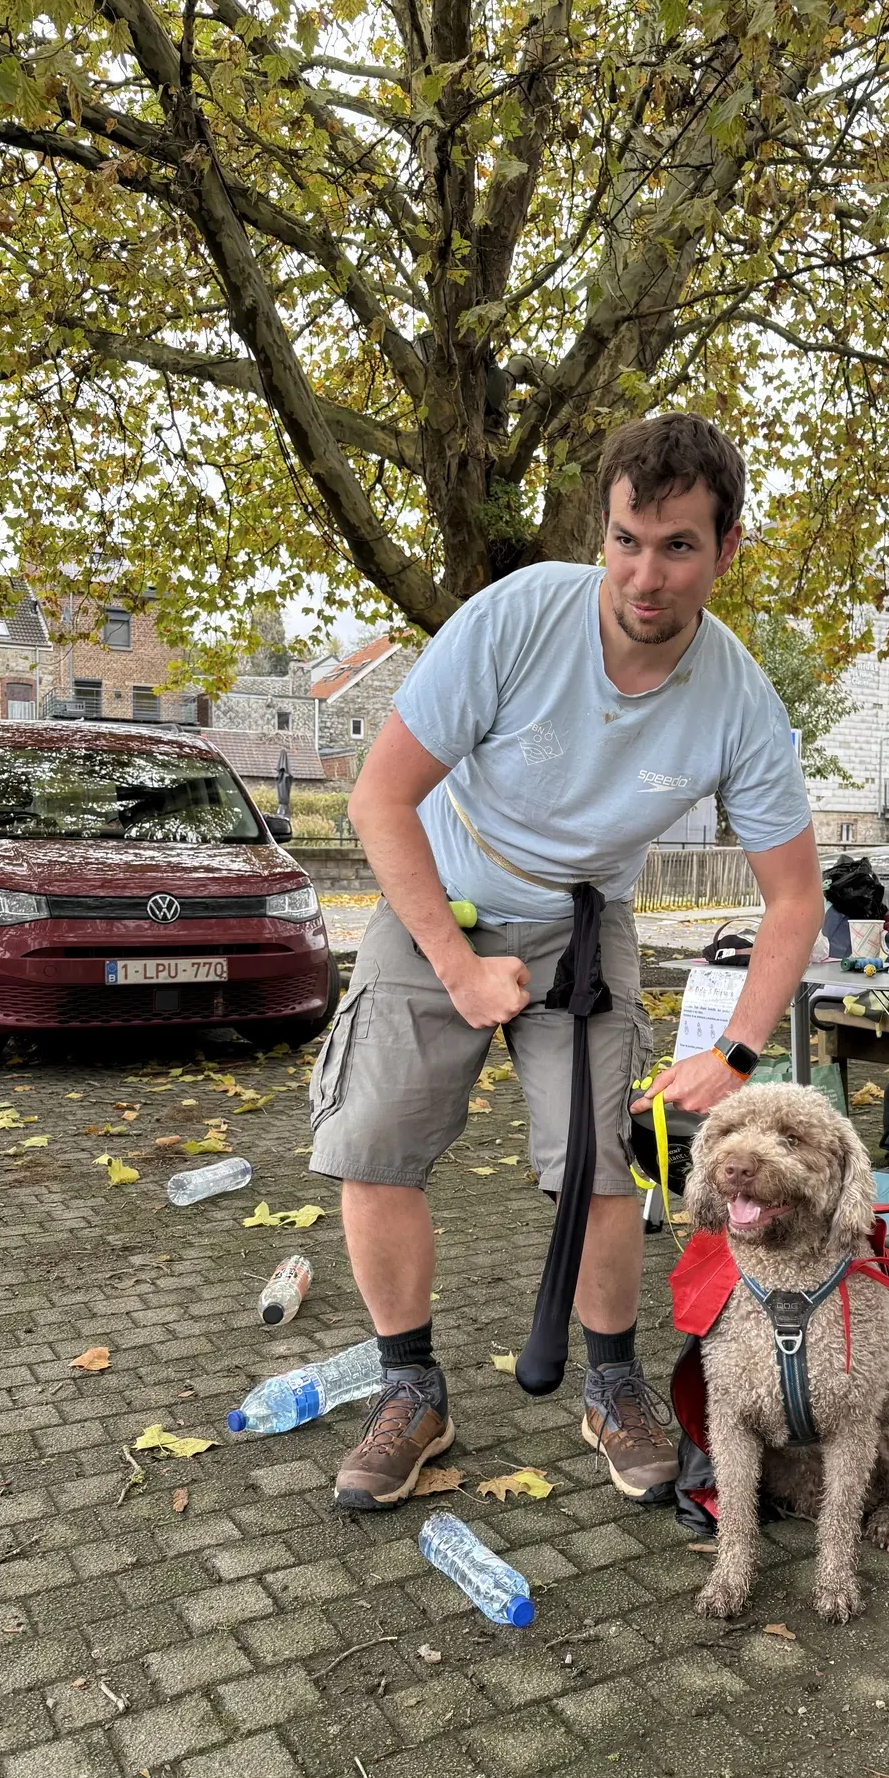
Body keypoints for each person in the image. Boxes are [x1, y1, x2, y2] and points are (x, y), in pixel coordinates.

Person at [310, 412, 826, 1511]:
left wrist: (735, 1054)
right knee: (374, 1145)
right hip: (437, 895)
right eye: (627, 540)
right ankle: (410, 1389)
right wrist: (458, 967)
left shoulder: (739, 701)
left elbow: (794, 898)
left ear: (727, 549)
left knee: (603, 1164)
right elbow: (378, 800)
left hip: (586, 923)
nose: (646, 574)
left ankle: (611, 1383)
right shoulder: (516, 619)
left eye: (679, 546)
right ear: (604, 531)